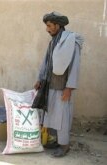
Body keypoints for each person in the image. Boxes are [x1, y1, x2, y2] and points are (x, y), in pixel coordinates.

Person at [34, 12, 84, 157]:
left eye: (49, 26)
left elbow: (75, 66)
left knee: (62, 117)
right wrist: (40, 79)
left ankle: (65, 145)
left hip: (63, 86)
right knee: (51, 115)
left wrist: (69, 88)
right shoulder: (53, 41)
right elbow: (46, 62)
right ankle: (56, 141)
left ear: (58, 25)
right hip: (49, 85)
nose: (47, 29)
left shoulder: (71, 41)